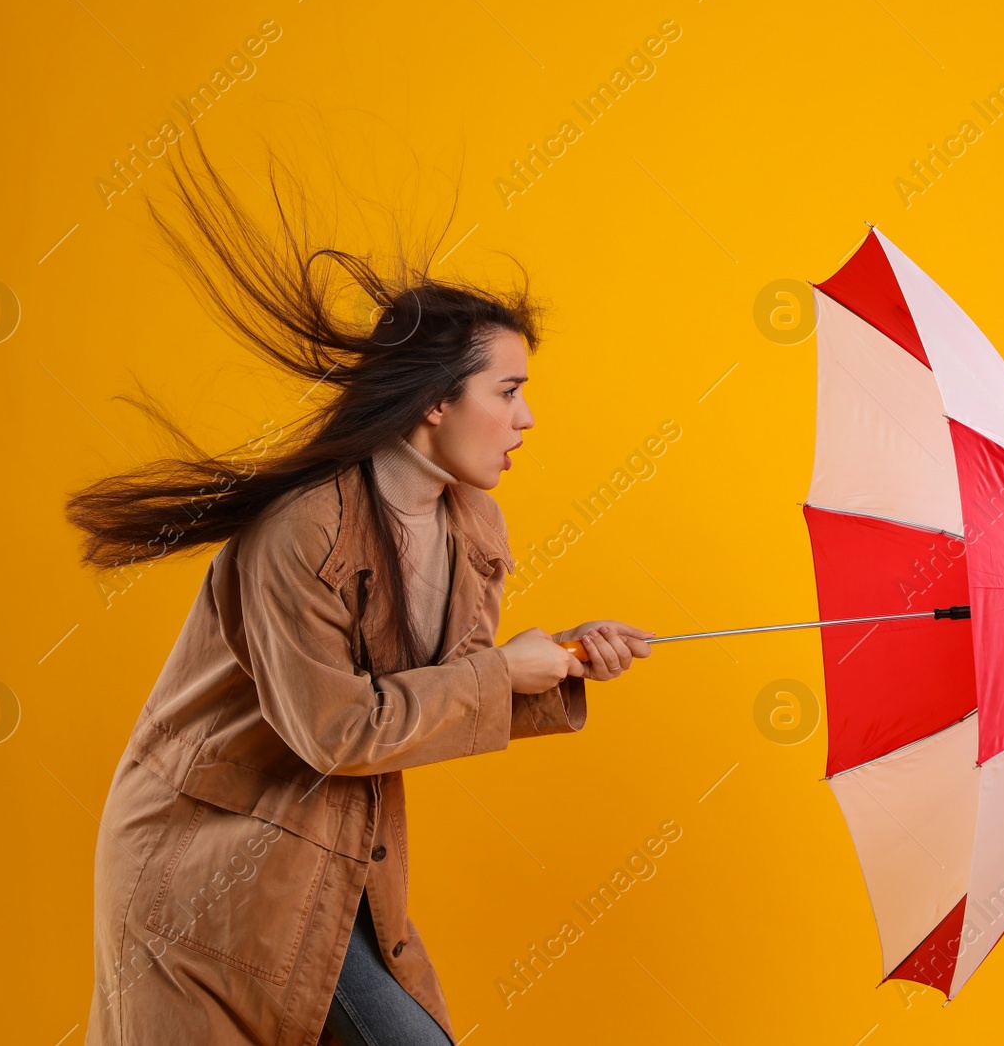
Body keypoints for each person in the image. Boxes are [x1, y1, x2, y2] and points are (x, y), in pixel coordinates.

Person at [65, 129, 653, 1045]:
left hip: (334, 871)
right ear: (434, 401)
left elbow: (440, 697)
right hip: (209, 867)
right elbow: (335, 729)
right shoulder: (302, 529)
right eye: (508, 390)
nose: (527, 417)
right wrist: (505, 671)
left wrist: (565, 661)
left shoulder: (473, 527)